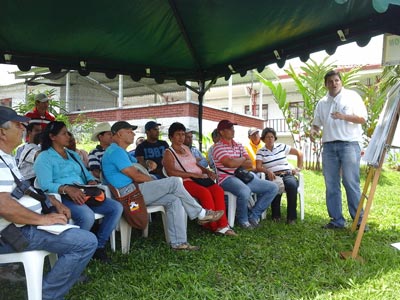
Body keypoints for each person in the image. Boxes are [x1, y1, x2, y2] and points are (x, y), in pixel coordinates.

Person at [0, 106, 97, 300]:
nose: (23, 128)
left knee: (70, 226)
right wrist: (42, 220)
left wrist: (52, 200)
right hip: (11, 233)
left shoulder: (6, 158)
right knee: (86, 242)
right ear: (2, 132)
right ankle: (46, 295)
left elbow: (23, 190)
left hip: (20, 226)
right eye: (19, 125)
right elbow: (4, 206)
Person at [101, 121, 224, 250]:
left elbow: (137, 163)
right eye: (129, 131)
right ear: (120, 134)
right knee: (174, 181)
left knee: (173, 200)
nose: (133, 133)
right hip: (129, 194)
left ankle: (179, 243)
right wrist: (154, 181)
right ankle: (200, 213)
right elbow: (136, 175)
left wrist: (147, 162)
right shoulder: (116, 152)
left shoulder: (120, 151)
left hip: (134, 191)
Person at [34, 121, 123, 263]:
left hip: (83, 192)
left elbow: (85, 173)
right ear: (52, 137)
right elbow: (44, 185)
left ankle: (97, 247)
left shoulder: (72, 154)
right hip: (62, 197)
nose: (68, 136)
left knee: (116, 207)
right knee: (86, 216)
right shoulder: (44, 157)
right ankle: (75, 251)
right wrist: (66, 189)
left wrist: (91, 181)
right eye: (64, 133)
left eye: (68, 133)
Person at [311, 70, 367, 230]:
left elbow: (362, 118)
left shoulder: (352, 96)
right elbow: (317, 123)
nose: (333, 83)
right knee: (331, 184)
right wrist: (314, 131)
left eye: (336, 80)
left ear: (341, 82)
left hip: (349, 144)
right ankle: (336, 221)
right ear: (326, 84)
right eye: (330, 81)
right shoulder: (322, 102)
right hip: (328, 146)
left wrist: (344, 116)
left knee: (351, 182)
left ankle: (359, 221)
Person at [163, 122, 236, 236]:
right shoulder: (168, 153)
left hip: (199, 179)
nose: (181, 137)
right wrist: (192, 175)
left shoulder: (186, 148)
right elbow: (170, 172)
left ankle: (223, 225)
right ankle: (212, 226)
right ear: (171, 137)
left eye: (183, 134)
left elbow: (195, 164)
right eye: (178, 134)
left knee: (218, 190)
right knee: (204, 193)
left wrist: (207, 171)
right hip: (184, 182)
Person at [213, 120, 279, 229]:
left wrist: (238, 160)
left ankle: (253, 215)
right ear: (222, 132)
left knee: (273, 188)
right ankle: (243, 220)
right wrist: (242, 159)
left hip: (242, 175)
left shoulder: (238, 145)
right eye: (229, 129)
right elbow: (229, 163)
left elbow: (249, 163)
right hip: (226, 178)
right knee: (245, 191)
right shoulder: (218, 147)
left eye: (232, 128)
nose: (233, 130)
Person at [256, 127, 303, 224]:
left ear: (275, 138)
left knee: (292, 185)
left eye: (272, 137)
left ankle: (291, 218)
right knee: (275, 186)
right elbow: (258, 167)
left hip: (287, 174)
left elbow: (299, 153)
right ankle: (276, 215)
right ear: (263, 139)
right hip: (274, 175)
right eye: (267, 137)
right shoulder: (261, 151)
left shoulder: (281, 146)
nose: (270, 139)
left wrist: (298, 168)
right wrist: (267, 171)